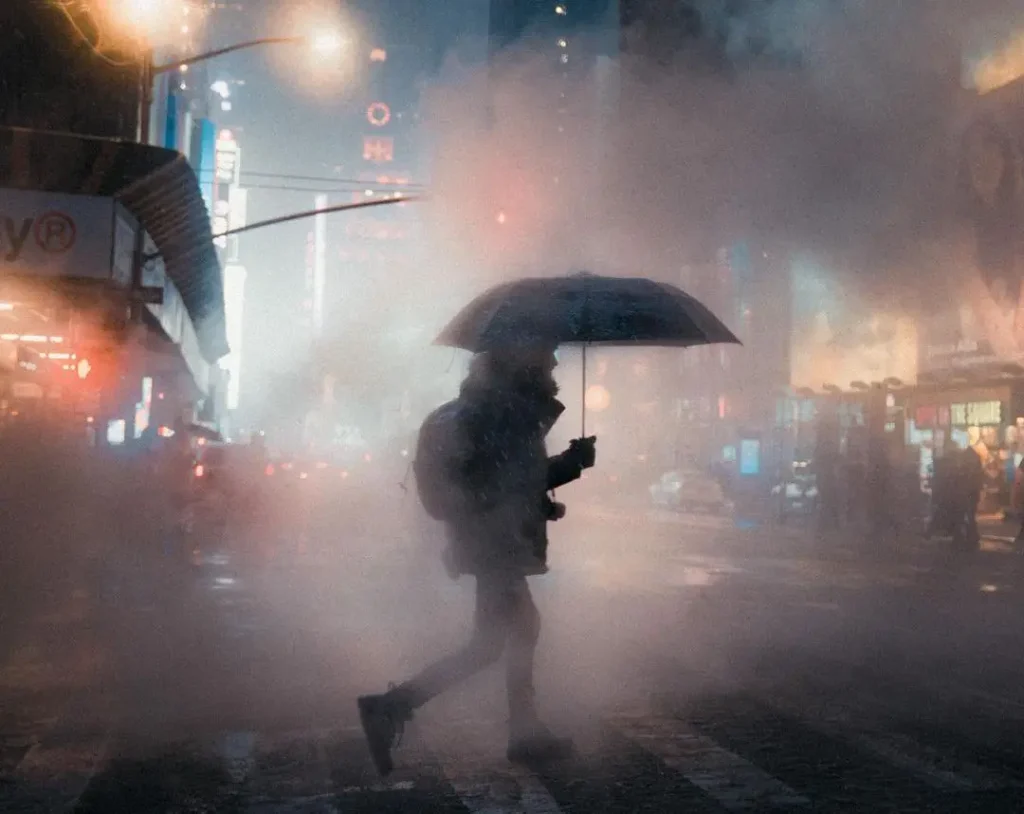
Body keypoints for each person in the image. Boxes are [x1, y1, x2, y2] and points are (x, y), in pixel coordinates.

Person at [357, 346, 596, 776]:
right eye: (546, 357)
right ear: (521, 363)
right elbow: (515, 479)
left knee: (507, 635)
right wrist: (573, 463)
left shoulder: (481, 410)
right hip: (494, 545)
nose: (555, 365)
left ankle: (523, 732)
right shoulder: (501, 415)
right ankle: (394, 707)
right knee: (494, 642)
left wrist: (542, 507)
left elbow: (498, 480)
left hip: (487, 541)